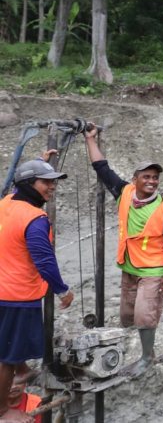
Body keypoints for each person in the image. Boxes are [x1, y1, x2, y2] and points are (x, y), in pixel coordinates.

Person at [82, 126, 163, 378]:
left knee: (144, 316)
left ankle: (147, 358)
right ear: (135, 179)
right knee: (127, 316)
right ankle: (132, 350)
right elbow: (102, 168)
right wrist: (90, 139)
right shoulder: (124, 192)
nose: (151, 181)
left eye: (155, 178)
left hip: (154, 269)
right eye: (146, 177)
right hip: (129, 267)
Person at [0, 159, 74, 422]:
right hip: (17, 296)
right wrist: (62, 290)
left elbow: (18, 185)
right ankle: (3, 409)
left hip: (2, 289)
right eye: (46, 182)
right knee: (8, 354)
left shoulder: (7, 202)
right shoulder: (35, 219)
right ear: (29, 184)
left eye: (53, 182)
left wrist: (41, 161)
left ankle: (21, 370)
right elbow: (44, 260)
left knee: (6, 343)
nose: (52, 187)